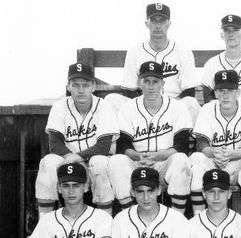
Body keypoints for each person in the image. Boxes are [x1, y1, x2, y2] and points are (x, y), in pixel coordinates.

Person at [108, 61, 192, 214]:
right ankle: (130, 215)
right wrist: (137, 156)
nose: (151, 86)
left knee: (182, 160)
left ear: (163, 83)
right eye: (146, 81)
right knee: (116, 161)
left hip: (164, 163)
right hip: (137, 162)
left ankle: (177, 216)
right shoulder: (128, 108)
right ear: (140, 83)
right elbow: (123, 145)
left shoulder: (177, 107)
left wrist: (160, 156)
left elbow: (182, 144)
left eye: (155, 82)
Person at [36, 63, 118, 216]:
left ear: (94, 86)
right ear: (68, 86)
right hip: (69, 161)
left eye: (86, 85)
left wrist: (76, 158)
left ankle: (106, 222)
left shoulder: (104, 107)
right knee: (48, 162)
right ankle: (44, 223)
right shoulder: (60, 106)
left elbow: (103, 147)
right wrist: (74, 160)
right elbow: (54, 144)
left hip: (96, 162)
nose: (81, 90)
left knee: (98, 162)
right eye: (76, 85)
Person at [105, 3, 199, 122]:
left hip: (173, 106)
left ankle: (182, 139)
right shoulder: (135, 51)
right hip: (142, 105)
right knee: (111, 100)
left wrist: (170, 108)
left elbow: (189, 91)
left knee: (191, 103)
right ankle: (122, 139)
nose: (158, 25)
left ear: (169, 24)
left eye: (162, 21)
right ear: (147, 24)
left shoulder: (183, 52)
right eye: (154, 21)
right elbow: (130, 90)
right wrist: (145, 107)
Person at [189, 70, 241, 217]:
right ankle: (198, 215)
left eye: (230, 90)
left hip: (237, 164)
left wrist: (231, 155)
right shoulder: (207, 109)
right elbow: (201, 143)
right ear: (215, 93)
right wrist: (214, 153)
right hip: (213, 161)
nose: (225, 95)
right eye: (221, 91)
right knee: (196, 158)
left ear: (238, 92)